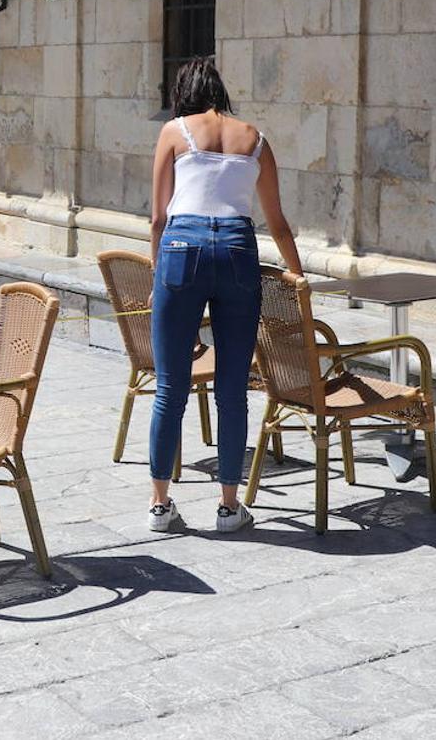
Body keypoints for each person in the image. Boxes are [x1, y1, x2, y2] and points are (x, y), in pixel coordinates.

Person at [146, 56, 303, 534]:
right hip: (237, 248)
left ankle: (160, 506)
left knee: (170, 386)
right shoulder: (255, 138)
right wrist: (297, 276)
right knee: (233, 389)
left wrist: (159, 278)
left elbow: (157, 217)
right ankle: (230, 507)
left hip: (181, 246)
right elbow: (276, 221)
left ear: (184, 92)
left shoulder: (174, 131)